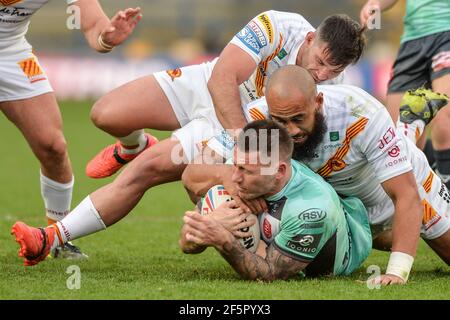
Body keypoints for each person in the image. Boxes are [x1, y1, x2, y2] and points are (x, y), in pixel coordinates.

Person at [183, 66, 450, 285]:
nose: (290, 131)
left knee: (427, 238)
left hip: (391, 191)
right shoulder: (256, 117)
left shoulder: (361, 113)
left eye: (299, 119)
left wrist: (397, 272)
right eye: (280, 121)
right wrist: (230, 177)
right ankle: (409, 123)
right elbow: (192, 175)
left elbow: (405, 195)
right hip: (340, 204)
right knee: (352, 236)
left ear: (318, 102)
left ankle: (409, 123)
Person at [85, 11, 366, 179]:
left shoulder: (330, 92)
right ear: (309, 39)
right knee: (105, 114)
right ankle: (134, 146)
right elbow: (222, 78)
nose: (321, 73)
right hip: (214, 89)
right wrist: (243, 141)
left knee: (147, 171)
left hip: (238, 124)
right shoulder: (278, 25)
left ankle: (58, 236)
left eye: (334, 69)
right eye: (319, 60)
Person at [1, 0, 142, 258]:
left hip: (9, 52)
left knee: (52, 146)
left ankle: (56, 238)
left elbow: (94, 29)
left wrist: (108, 37)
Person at [180, 120, 372, 281]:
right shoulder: (245, 170)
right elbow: (185, 243)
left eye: (245, 170)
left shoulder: (311, 209)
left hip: (345, 243)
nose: (234, 177)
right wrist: (209, 224)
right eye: (235, 165)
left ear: (279, 171)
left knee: (387, 229)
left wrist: (224, 240)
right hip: (280, 229)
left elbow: (270, 273)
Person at [360, 0, 450, 188]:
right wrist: (376, 4)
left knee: (445, 122)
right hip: (412, 40)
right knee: (398, 140)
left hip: (446, 32)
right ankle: (422, 197)